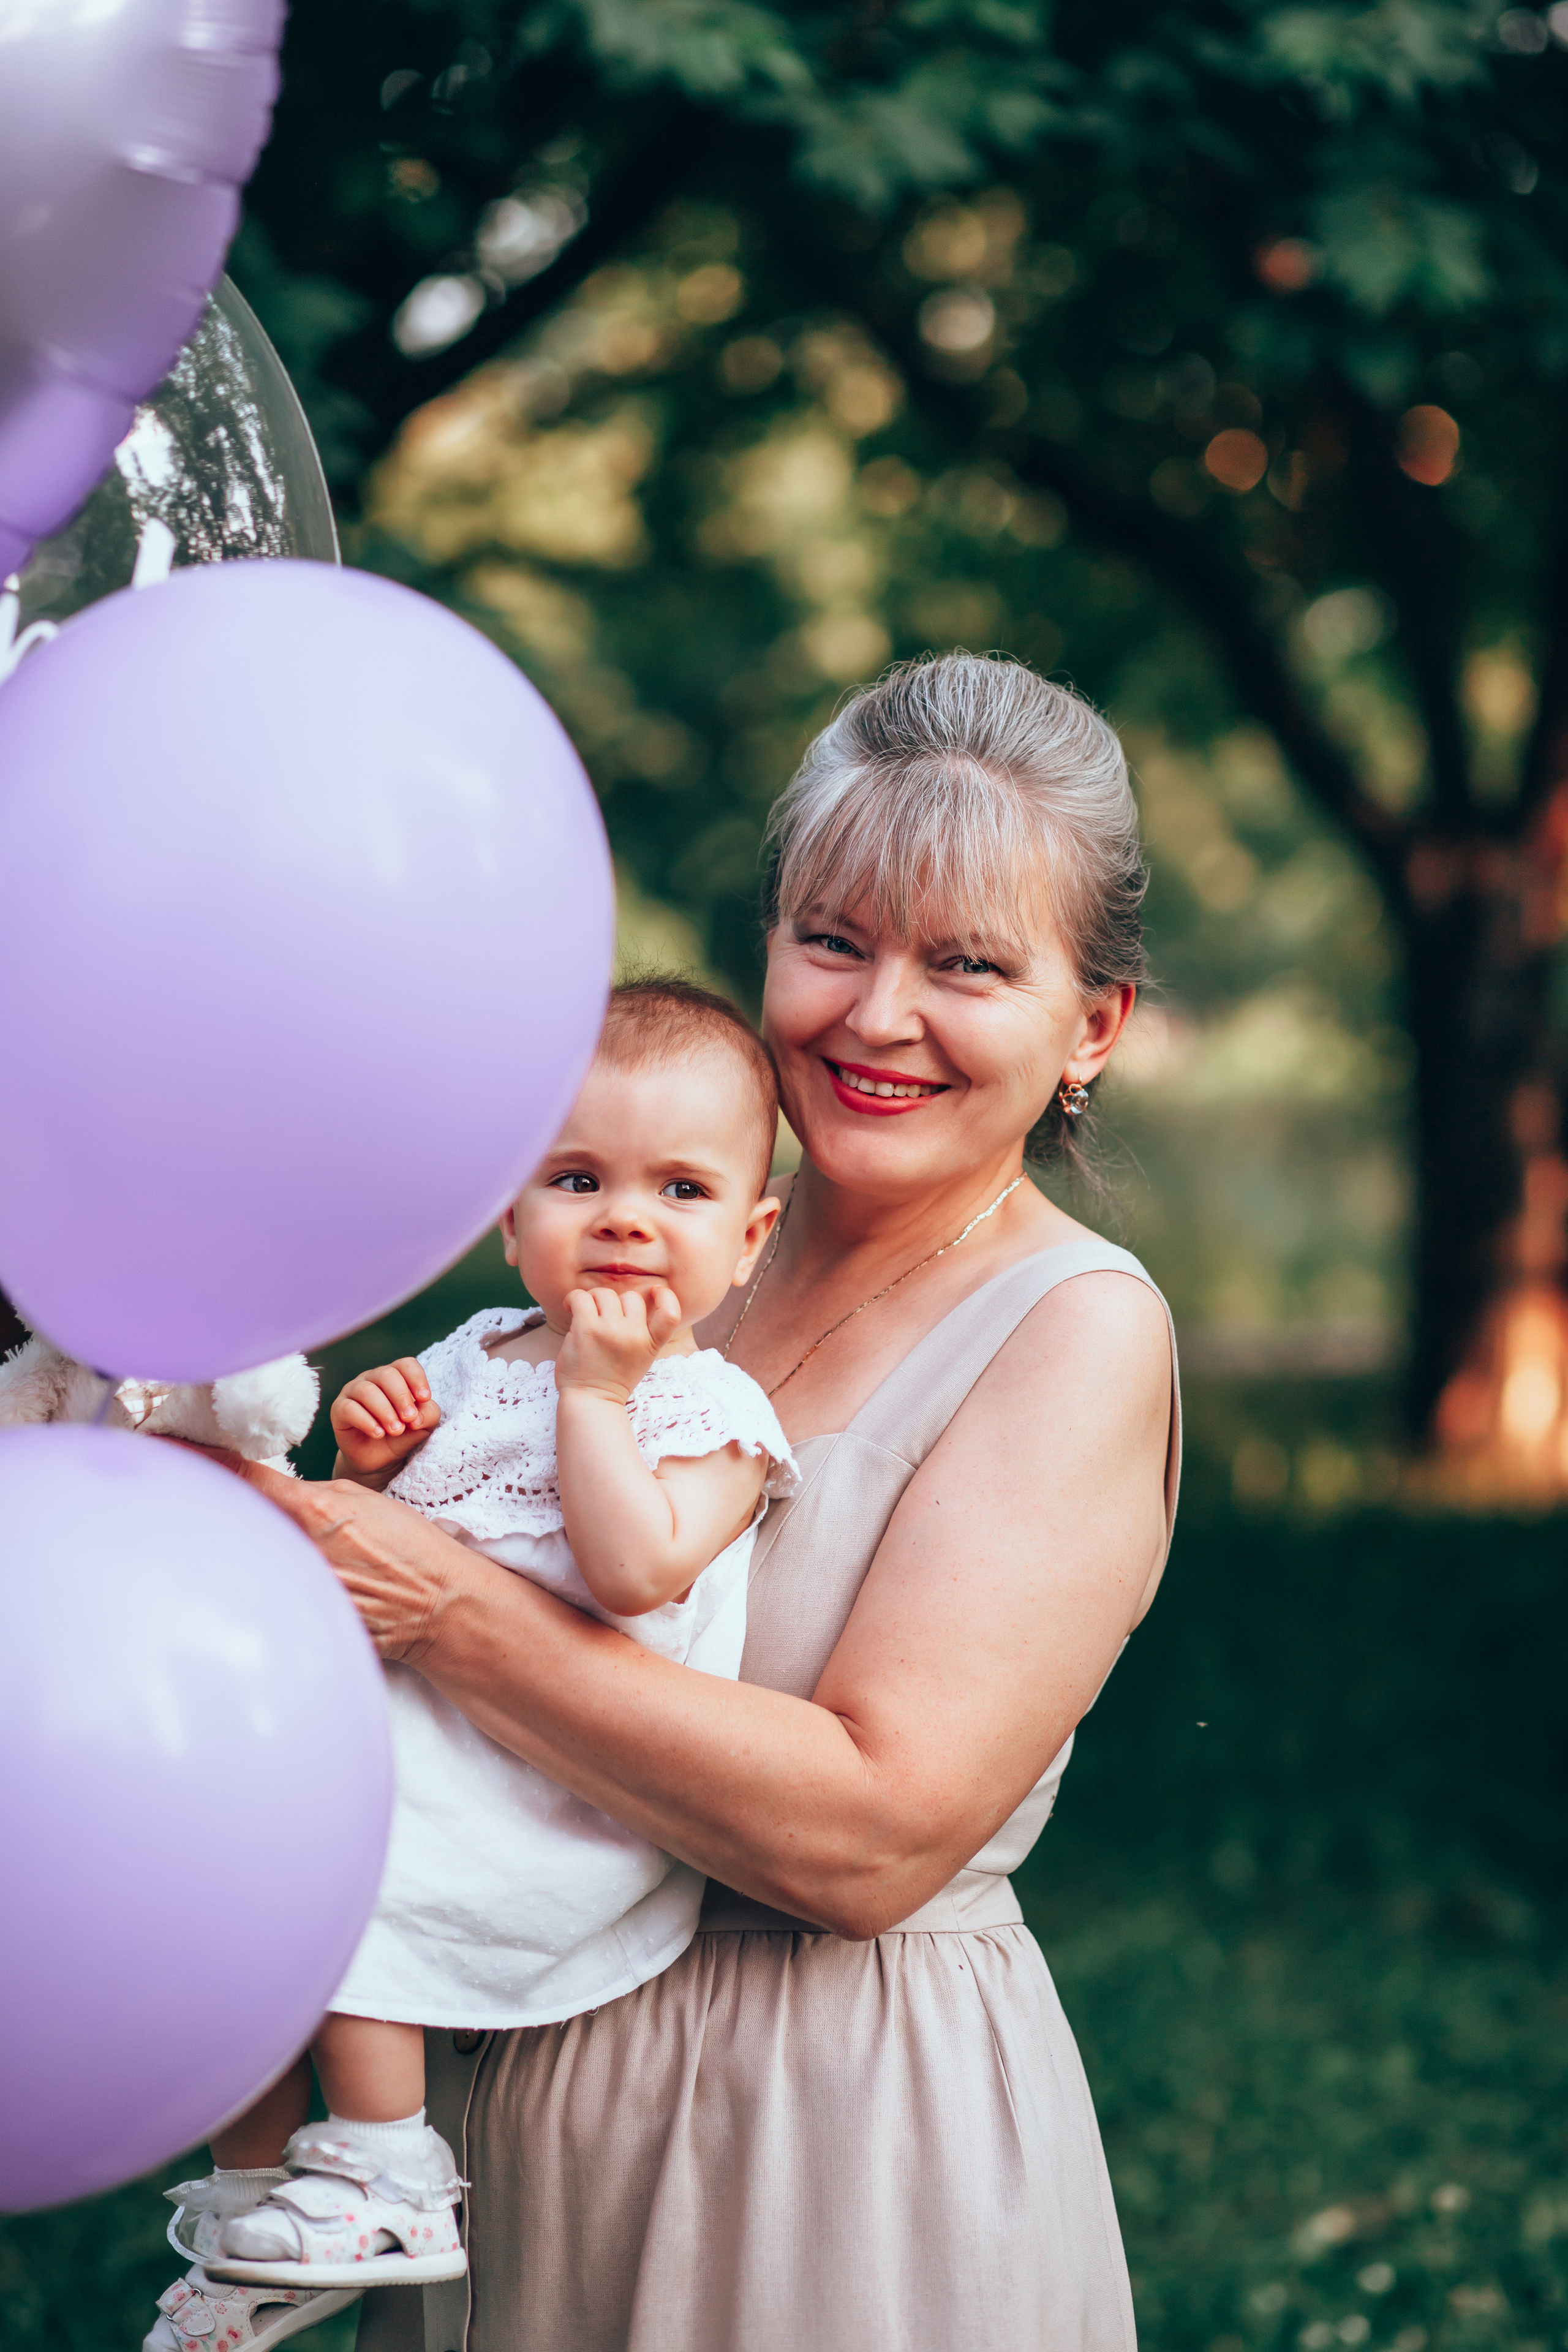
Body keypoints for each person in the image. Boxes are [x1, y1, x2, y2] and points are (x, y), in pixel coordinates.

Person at [217, 652, 1178, 2352]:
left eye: (966, 964)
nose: (879, 1016)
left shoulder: (1078, 1331)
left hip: (820, 2137)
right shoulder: (652, 1234)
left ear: (1091, 1024)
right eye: (834, 940)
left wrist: (441, 1610)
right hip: (498, 2094)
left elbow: (871, 1833)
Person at [144, 983, 796, 2352]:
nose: (623, 1217)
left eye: (679, 1188)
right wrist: (371, 1460)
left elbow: (633, 1573)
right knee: (227, 1881)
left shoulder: (712, 1414)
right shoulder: (474, 1352)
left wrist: (598, 1399)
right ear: (510, 1222)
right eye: (576, 1178)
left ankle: (389, 2174)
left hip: (557, 1784)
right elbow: (389, 1539)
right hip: (432, 1720)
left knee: (337, 1869)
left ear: (748, 1238)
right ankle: (262, 2202)